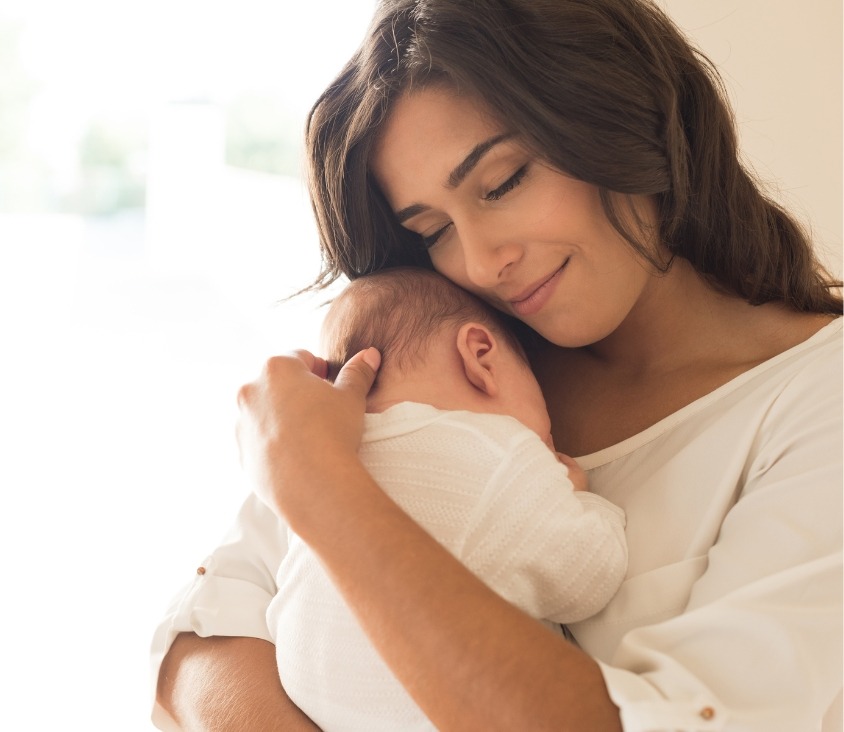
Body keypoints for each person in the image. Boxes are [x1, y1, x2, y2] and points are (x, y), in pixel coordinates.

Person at [152, 0, 843, 730]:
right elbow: (199, 647)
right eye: (434, 229)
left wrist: (320, 487)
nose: (482, 263)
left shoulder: (814, 404)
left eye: (505, 181)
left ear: (620, 114)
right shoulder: (452, 361)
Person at [267, 266, 627, 731]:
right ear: (481, 356)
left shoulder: (323, 459)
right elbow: (587, 579)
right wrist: (582, 500)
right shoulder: (497, 452)